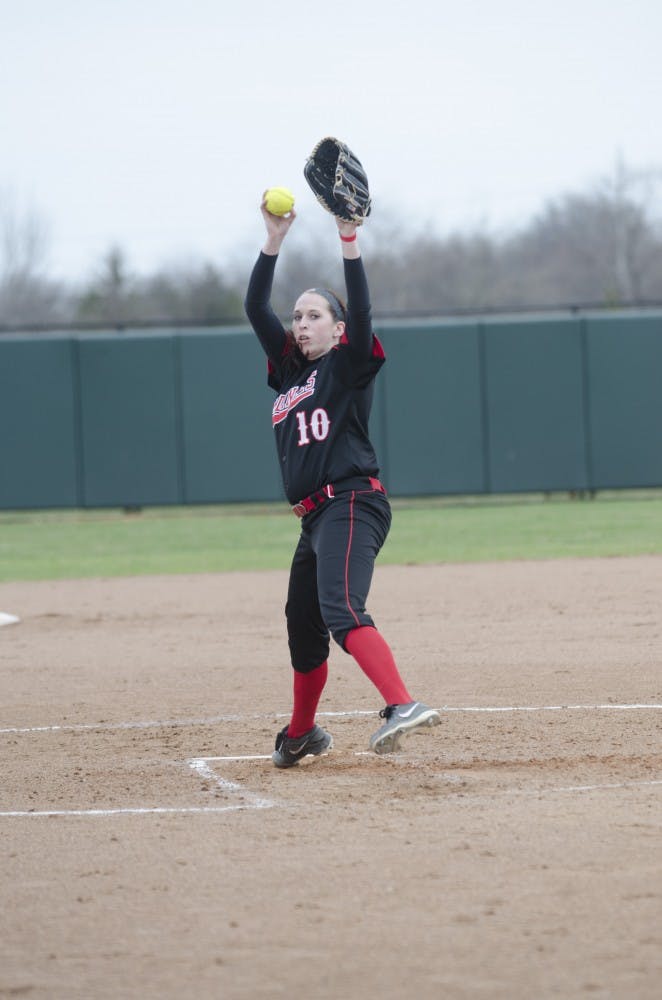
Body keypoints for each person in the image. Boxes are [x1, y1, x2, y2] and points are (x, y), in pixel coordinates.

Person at [244, 194, 440, 768]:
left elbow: (363, 308)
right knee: (303, 631)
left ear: (338, 328)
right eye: (298, 316)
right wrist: (272, 240)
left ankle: (402, 703)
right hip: (315, 518)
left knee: (341, 608)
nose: (301, 324)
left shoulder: (348, 362)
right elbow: (256, 306)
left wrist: (348, 241)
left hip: (352, 502)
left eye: (314, 316)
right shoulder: (289, 373)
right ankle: (301, 733)